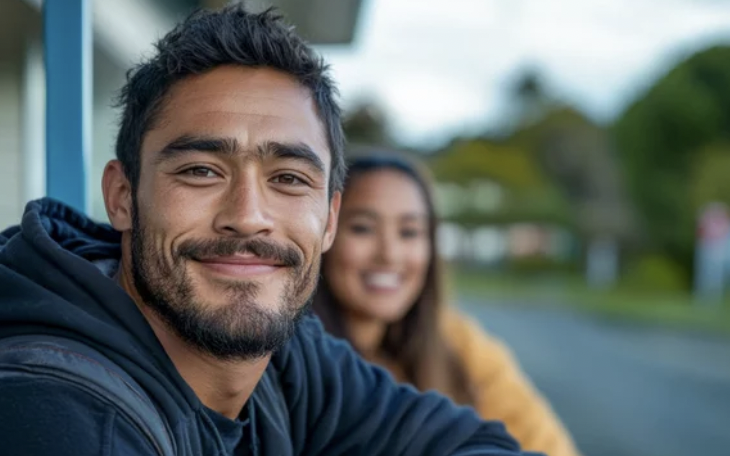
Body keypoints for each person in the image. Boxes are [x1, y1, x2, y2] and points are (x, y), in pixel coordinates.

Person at [0, 6, 539, 456]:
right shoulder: (61, 418)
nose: (249, 214)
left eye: (288, 178)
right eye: (201, 171)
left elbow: (467, 442)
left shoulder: (283, 355)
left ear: (328, 218)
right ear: (123, 198)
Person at [313, 153, 581, 456]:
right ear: (325, 233)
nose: (389, 254)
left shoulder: (459, 342)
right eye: (362, 228)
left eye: (409, 232)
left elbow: (547, 444)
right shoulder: (292, 359)